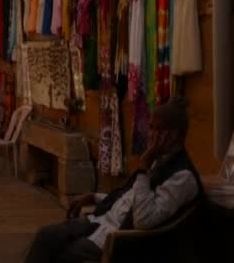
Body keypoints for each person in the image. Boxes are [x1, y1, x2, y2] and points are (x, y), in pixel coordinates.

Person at [24, 97, 203, 263]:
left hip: (118, 240)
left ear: (175, 135)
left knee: (62, 255)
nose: (152, 135)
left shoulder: (182, 177)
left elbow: (144, 219)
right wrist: (95, 197)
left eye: (159, 130)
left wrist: (143, 169)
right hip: (101, 221)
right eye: (150, 128)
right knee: (45, 237)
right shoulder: (160, 160)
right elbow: (128, 199)